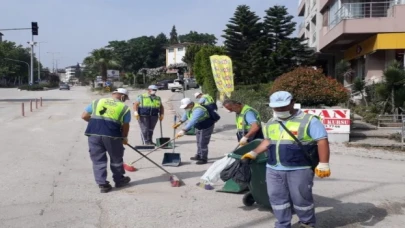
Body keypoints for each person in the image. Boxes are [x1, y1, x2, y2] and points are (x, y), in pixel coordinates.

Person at [241, 91, 331, 228]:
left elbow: (322, 141)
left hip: (299, 168)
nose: (279, 110)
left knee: (301, 199)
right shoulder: (271, 122)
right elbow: (268, 141)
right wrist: (253, 153)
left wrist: (324, 163)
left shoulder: (309, 120)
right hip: (273, 168)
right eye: (276, 108)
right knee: (276, 198)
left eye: (283, 107)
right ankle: (282, 224)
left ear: (292, 103)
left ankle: (307, 223)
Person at [81, 88, 132, 193]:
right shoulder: (124, 108)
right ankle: (119, 180)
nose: (125, 100)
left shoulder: (97, 101)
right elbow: (125, 125)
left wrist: (95, 123)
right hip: (112, 136)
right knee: (116, 159)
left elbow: (84, 116)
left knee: (98, 161)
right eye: (125, 98)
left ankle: (103, 184)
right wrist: (124, 137)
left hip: (94, 135)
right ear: (122, 96)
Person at [173, 98, 216, 165]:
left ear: (190, 104)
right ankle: (199, 155)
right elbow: (186, 115)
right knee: (198, 141)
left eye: (186, 107)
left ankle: (203, 158)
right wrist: (179, 122)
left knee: (203, 143)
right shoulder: (189, 108)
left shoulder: (198, 110)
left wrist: (183, 130)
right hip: (198, 125)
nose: (185, 108)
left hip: (206, 126)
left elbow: (193, 121)